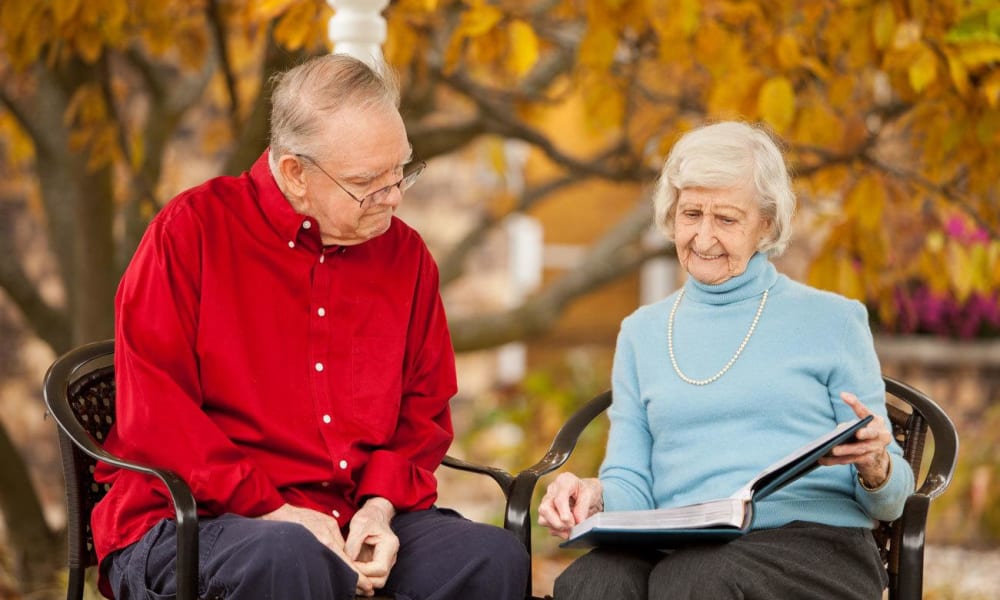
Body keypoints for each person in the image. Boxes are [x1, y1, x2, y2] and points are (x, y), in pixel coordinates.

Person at [94, 54, 529, 600]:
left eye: (401, 173)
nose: (392, 198)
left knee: (491, 557)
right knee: (290, 558)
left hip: (349, 515)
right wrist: (275, 510)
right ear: (295, 173)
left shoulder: (407, 258)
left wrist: (379, 509)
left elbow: (423, 409)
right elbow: (159, 414)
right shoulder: (191, 233)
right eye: (367, 183)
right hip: (193, 518)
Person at [537, 121, 915, 600]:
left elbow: (895, 495)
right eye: (691, 213)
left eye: (727, 219)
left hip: (814, 544)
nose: (703, 236)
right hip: (685, 542)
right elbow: (631, 480)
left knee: (695, 580)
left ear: (767, 225)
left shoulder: (833, 320)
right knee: (594, 581)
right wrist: (596, 495)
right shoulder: (641, 333)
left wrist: (876, 463)